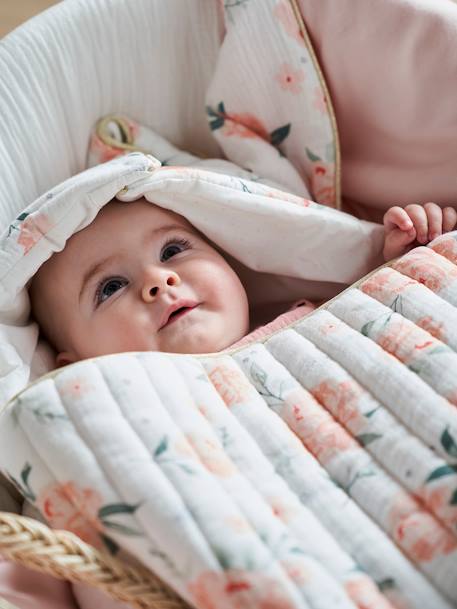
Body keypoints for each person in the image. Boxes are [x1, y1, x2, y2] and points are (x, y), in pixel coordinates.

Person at [29, 198, 457, 367]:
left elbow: (385, 327)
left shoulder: (320, 316)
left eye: (172, 251)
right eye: (110, 287)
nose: (158, 281)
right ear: (74, 367)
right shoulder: (111, 409)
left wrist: (406, 266)